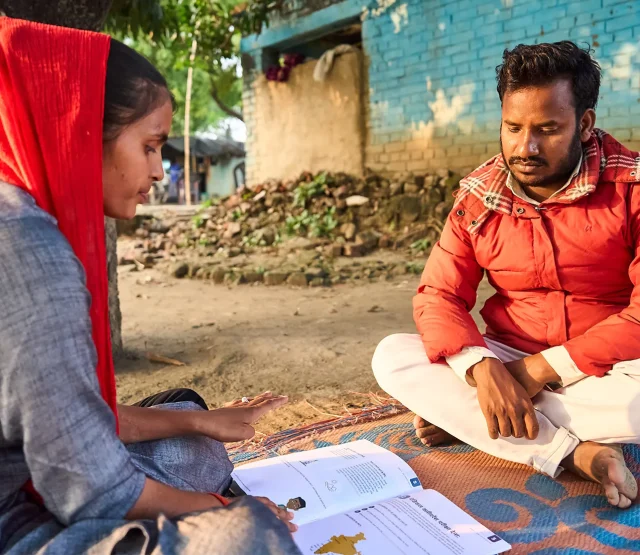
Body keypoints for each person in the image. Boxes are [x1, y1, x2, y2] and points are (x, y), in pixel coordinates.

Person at [0, 18, 300, 555]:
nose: (160, 170)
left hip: (36, 472)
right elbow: (94, 489)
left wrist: (202, 420)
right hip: (12, 520)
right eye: (151, 146)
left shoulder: (22, 213)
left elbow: (79, 420)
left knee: (192, 438)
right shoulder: (25, 248)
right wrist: (231, 510)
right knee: (247, 541)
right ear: (83, 132)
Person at [372, 41, 640, 510]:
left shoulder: (631, 189)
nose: (525, 147)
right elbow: (438, 295)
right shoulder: (479, 199)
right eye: (512, 127)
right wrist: (480, 367)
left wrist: (538, 371)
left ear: (584, 124)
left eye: (547, 129)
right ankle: (575, 453)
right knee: (392, 356)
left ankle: (474, 419)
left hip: (609, 364)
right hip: (510, 352)